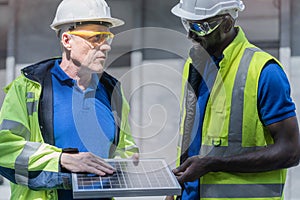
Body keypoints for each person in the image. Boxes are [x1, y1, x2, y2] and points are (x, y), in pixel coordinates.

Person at [0, 0, 139, 199]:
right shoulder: (28, 88)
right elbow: (4, 147)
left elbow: (125, 146)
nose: (106, 47)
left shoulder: (112, 91)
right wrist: (61, 159)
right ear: (67, 40)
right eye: (95, 38)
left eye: (107, 38)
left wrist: (127, 160)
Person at [168, 0, 300, 199]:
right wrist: (176, 191)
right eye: (187, 23)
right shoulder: (194, 65)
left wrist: (215, 163)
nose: (190, 35)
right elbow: (191, 138)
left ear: (227, 24)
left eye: (200, 26)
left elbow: (291, 151)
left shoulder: (263, 71)